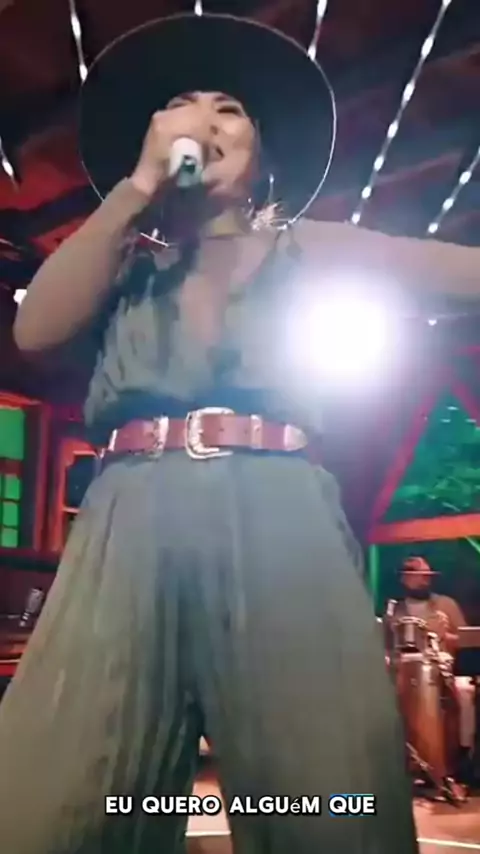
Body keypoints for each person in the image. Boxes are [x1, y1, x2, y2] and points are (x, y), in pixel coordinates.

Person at [0, 12, 479, 854]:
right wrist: (134, 190)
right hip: (125, 521)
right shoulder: (122, 267)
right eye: (180, 104)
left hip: (278, 512)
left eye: (229, 109)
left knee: (327, 796)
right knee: (53, 801)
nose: (202, 119)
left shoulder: (307, 249)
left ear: (264, 157)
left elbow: (457, 272)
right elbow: (34, 329)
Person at [386, 557, 475, 796]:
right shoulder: (394, 610)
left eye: (428, 575)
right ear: (404, 578)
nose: (426, 579)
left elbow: (467, 639)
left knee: (464, 696)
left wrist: (446, 636)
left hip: (442, 671)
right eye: (419, 575)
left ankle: (458, 762)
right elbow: (385, 646)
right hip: (403, 675)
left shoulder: (446, 604)